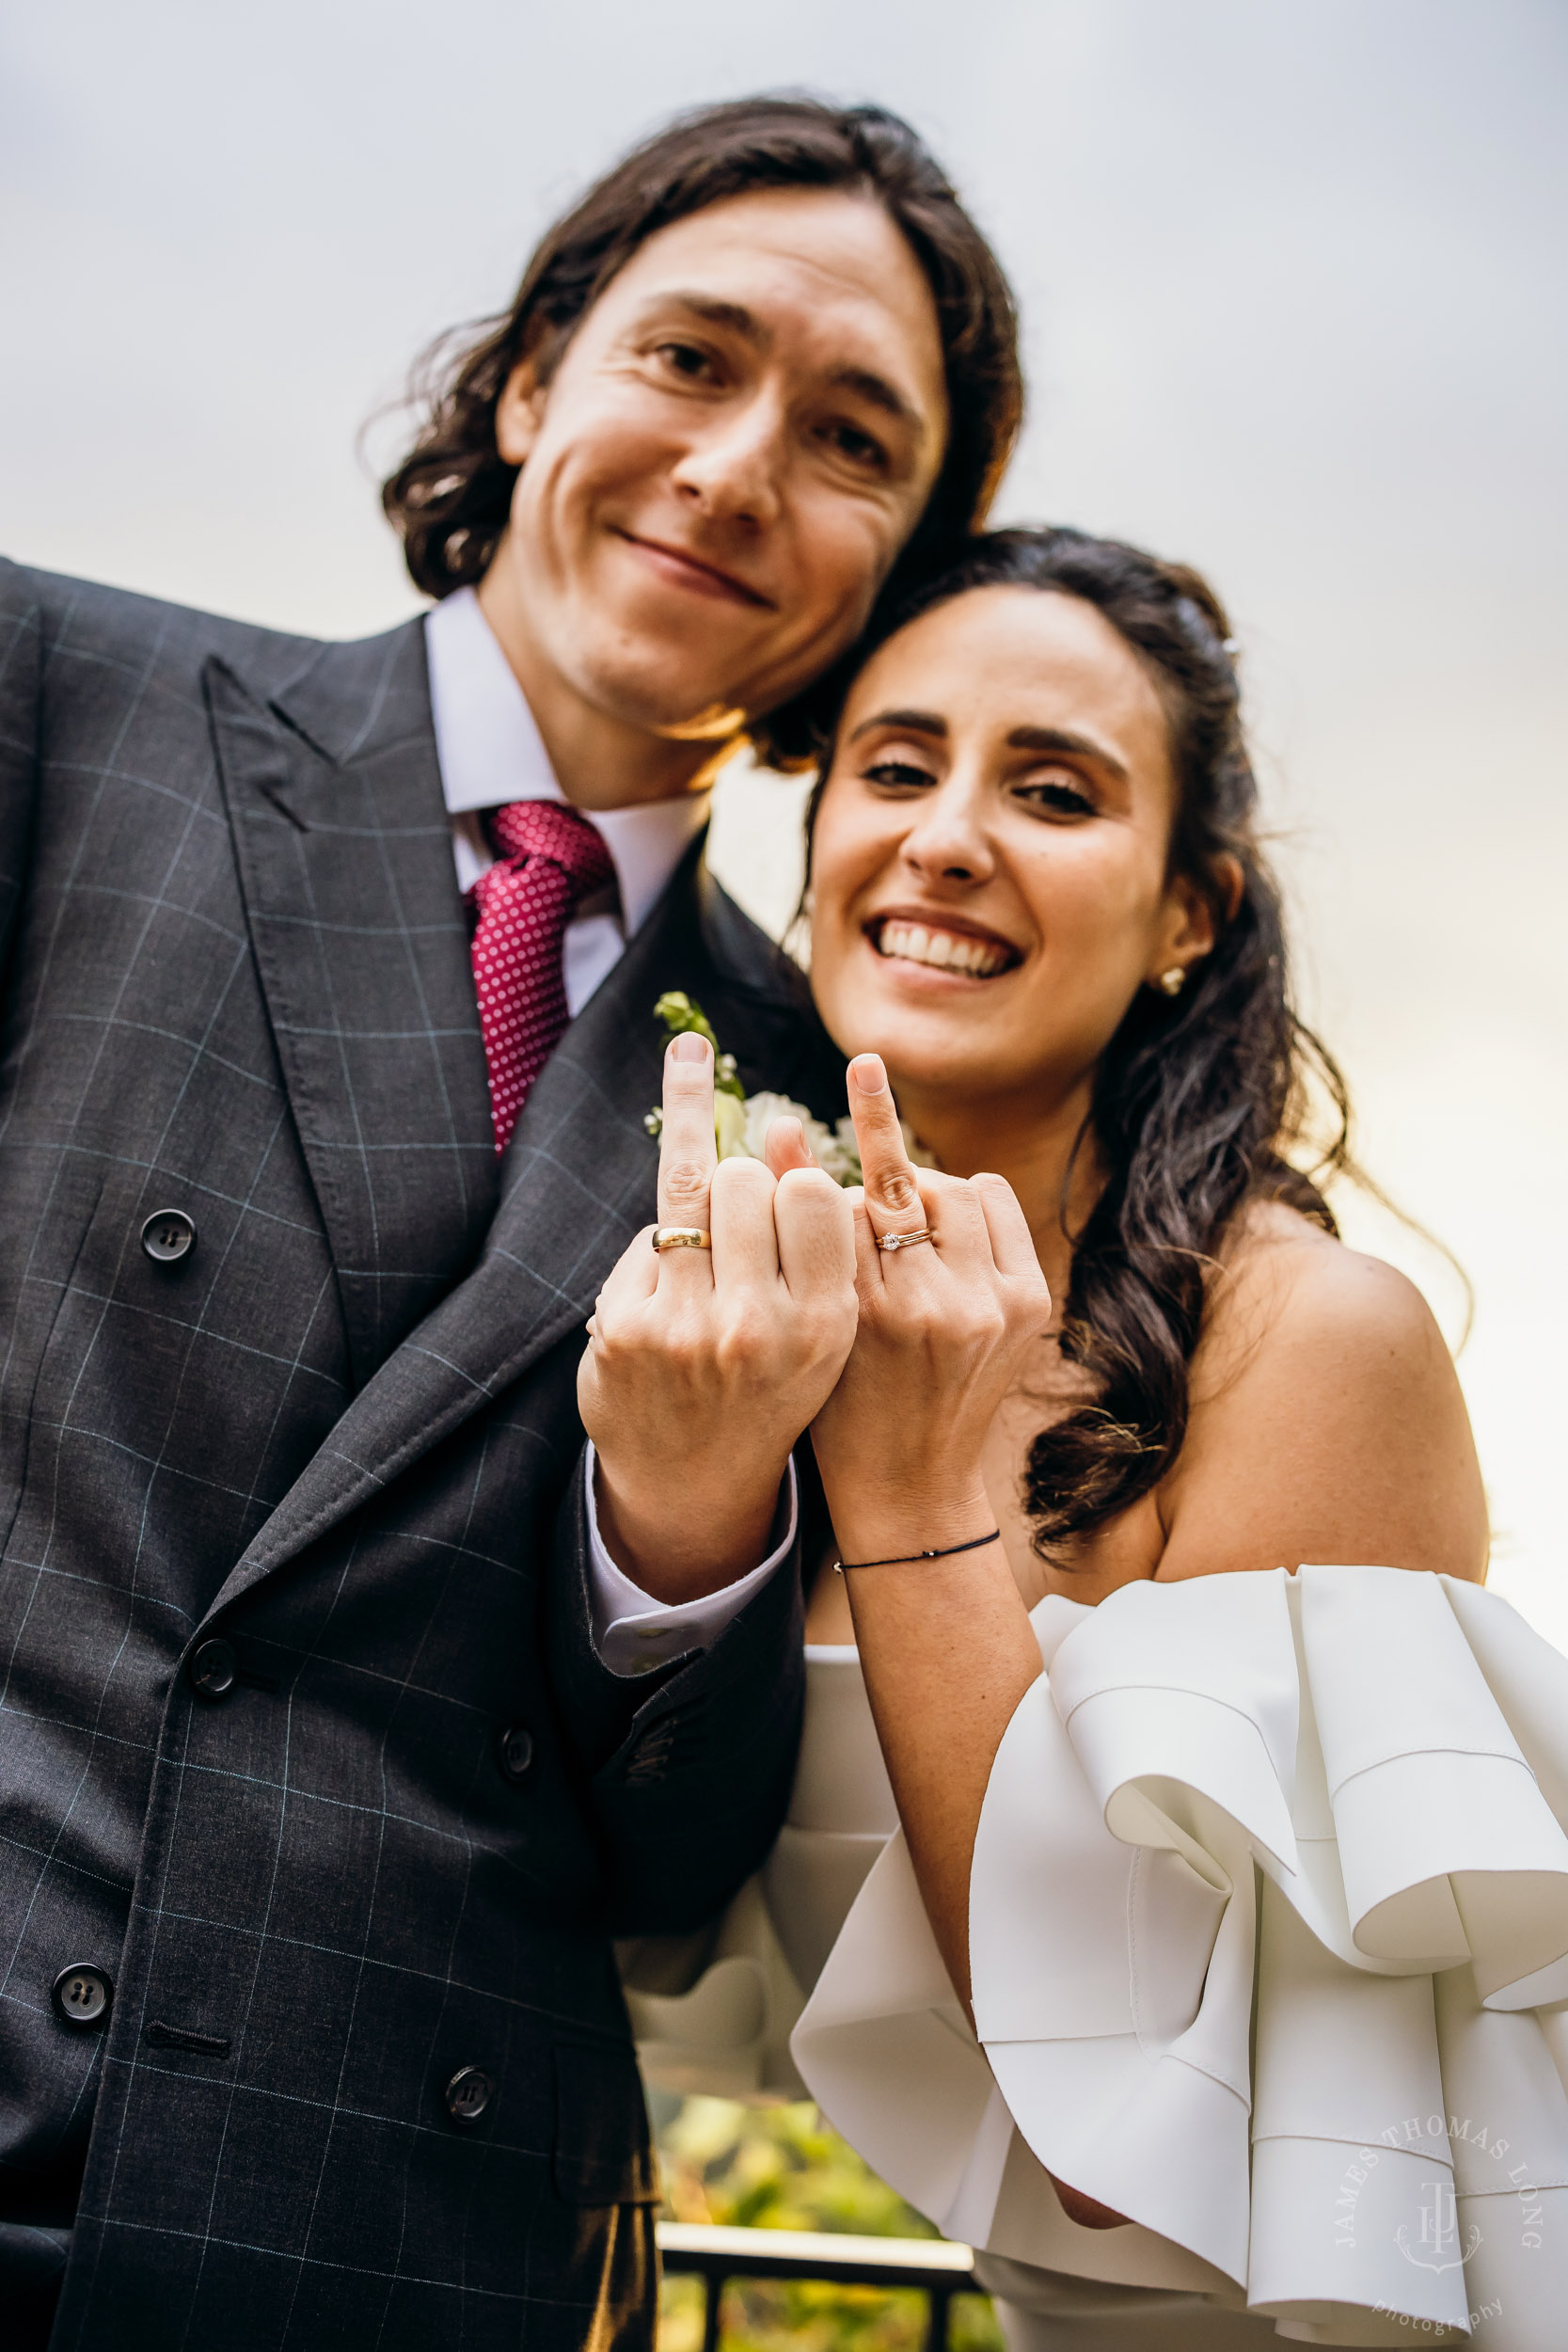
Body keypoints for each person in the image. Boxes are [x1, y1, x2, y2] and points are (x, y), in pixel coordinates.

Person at [0, 98, 1022, 2351]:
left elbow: (674, 1885)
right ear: (536, 375)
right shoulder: (57, 699)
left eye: (853, 437)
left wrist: (684, 1526)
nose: (742, 463)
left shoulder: (831, 1091)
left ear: (898, 563)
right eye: (691, 357)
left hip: (399, 2238)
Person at [596, 531, 1568, 2347]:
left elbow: (1142, 2144)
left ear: (1188, 912)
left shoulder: (1305, 1342)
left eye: (1052, 789)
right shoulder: (771, 1326)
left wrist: (909, 1496)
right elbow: (651, 1948)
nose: (947, 834)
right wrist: (688, 1486)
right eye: (894, 767)